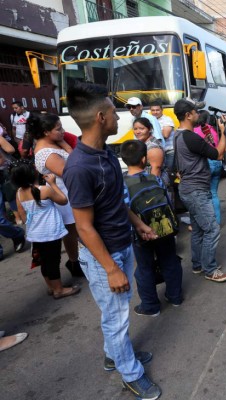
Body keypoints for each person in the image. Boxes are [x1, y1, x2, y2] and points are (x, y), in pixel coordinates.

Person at [63, 82, 160, 400]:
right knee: (116, 318)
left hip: (122, 245)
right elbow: (85, 227)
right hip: (104, 257)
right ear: (101, 117)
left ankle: (116, 355)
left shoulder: (105, 152)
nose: (121, 118)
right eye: (114, 111)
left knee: (115, 315)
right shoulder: (78, 167)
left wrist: (139, 224)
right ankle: (130, 374)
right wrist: (111, 269)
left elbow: (116, 200)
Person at [121, 139, 183, 316]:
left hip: (141, 233)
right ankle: (175, 296)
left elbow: (124, 210)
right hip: (164, 228)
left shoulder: (122, 184)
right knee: (170, 261)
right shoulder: (155, 179)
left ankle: (150, 305)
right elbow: (168, 201)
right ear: (144, 159)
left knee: (144, 267)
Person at [173, 98, 226, 283]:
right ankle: (210, 268)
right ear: (188, 115)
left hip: (189, 189)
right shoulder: (190, 137)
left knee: (198, 229)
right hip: (196, 191)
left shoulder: (177, 135)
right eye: (195, 112)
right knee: (212, 229)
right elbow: (218, 154)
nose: (198, 114)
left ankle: (198, 264)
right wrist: (223, 132)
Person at [12, 163, 81, 299]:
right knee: (53, 261)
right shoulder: (44, 190)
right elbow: (63, 200)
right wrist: (53, 184)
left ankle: (51, 286)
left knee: (43, 260)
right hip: (50, 232)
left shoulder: (19, 193)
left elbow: (23, 216)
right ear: (33, 174)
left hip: (35, 234)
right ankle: (59, 290)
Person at [30, 112, 83, 278]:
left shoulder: (54, 143)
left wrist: (62, 142)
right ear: (46, 132)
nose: (63, 131)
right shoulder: (47, 153)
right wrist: (66, 146)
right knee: (73, 231)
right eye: (58, 129)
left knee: (75, 229)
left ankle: (77, 261)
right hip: (64, 194)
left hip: (68, 190)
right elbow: (72, 171)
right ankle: (75, 262)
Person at [193, 110, 223, 224]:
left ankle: (206, 222)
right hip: (217, 163)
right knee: (214, 193)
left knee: (203, 195)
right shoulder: (212, 129)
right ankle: (217, 221)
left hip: (206, 163)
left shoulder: (195, 131)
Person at [133, 117, 169, 185]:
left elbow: (156, 172)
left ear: (149, 129)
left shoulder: (153, 148)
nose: (137, 132)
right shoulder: (143, 144)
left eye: (141, 128)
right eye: (135, 129)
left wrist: (152, 191)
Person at [149, 101, 175, 171]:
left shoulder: (167, 119)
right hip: (156, 151)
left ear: (162, 110)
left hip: (168, 151)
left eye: (157, 110)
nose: (155, 112)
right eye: (153, 110)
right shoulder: (150, 120)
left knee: (168, 172)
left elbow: (165, 135)